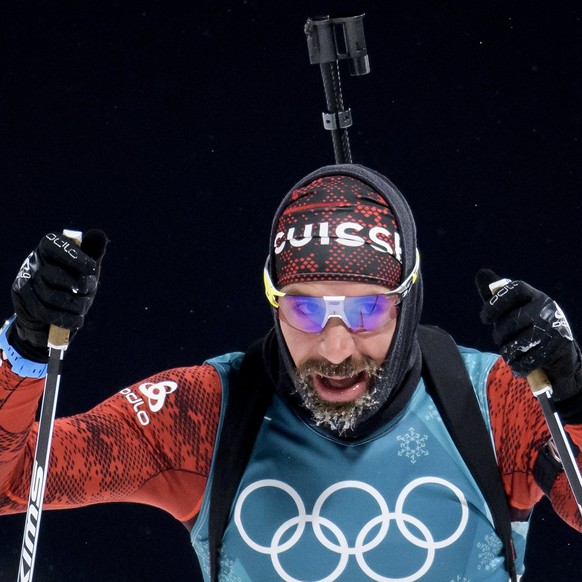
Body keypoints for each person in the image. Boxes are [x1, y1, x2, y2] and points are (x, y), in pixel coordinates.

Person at [1, 163, 581, 581]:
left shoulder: (496, 399)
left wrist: (575, 400)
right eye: (303, 308)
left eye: (367, 309)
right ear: (273, 301)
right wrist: (24, 350)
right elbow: (14, 482)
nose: (333, 348)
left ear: (408, 302)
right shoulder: (204, 413)